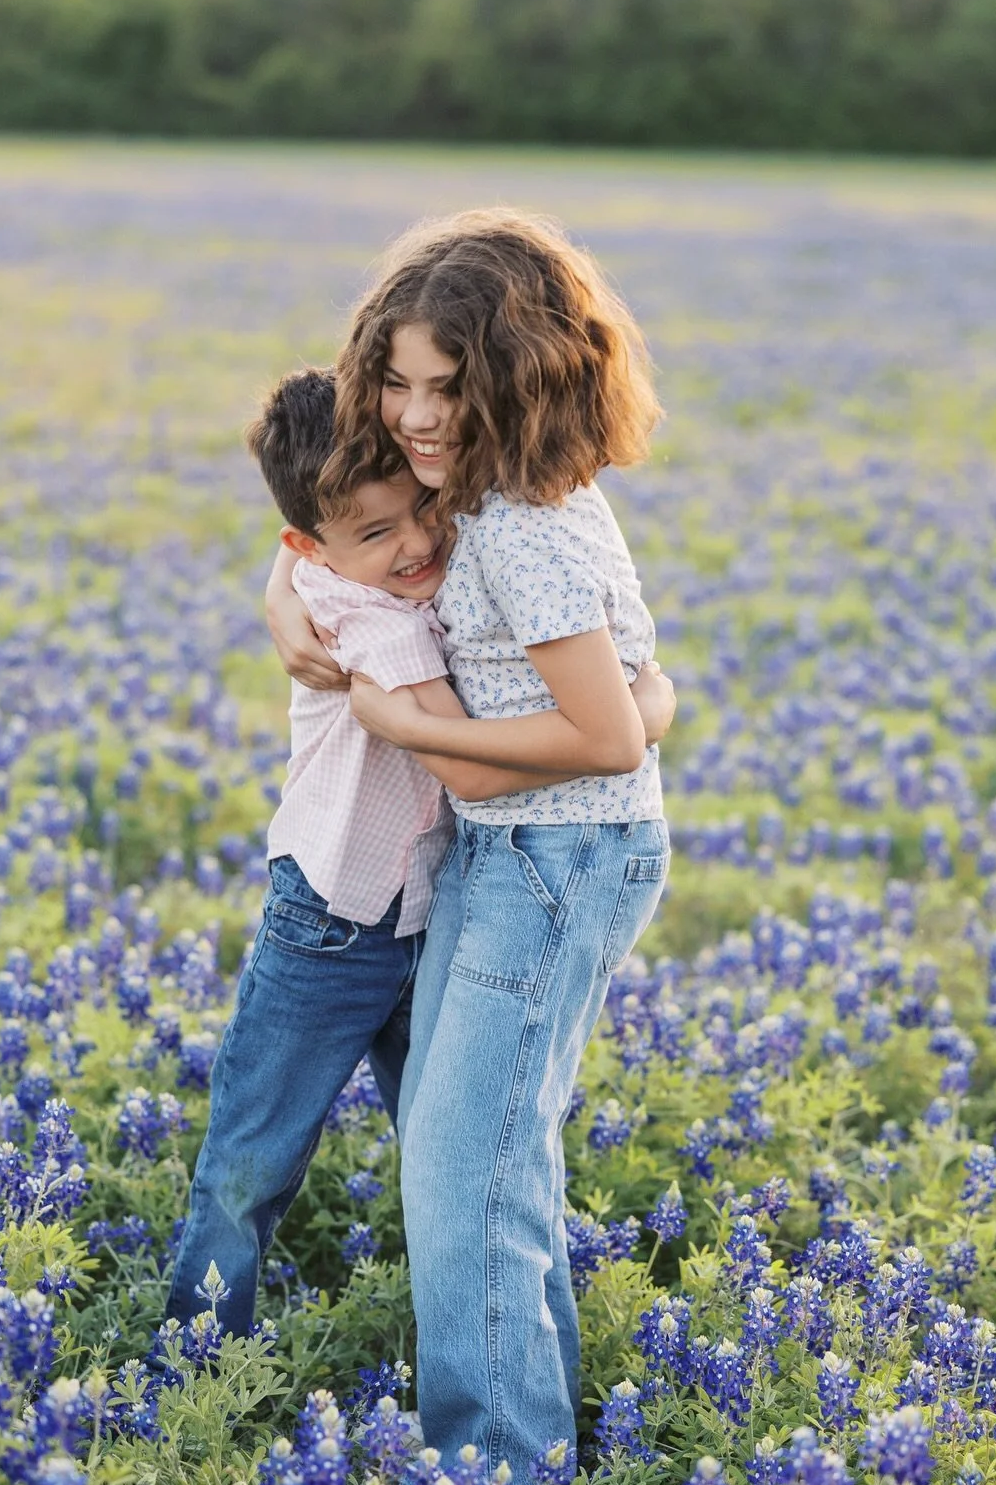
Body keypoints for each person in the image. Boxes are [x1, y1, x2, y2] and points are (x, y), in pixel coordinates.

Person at [266, 212, 672, 1482]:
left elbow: (607, 734)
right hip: (512, 856)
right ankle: (527, 1447)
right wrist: (283, 592)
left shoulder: (519, 527)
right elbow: (334, 539)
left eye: (451, 385)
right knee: (479, 1157)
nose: (417, 414)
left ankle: (499, 1484)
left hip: (556, 862)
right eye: (396, 380)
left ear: (521, 377)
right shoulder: (489, 499)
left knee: (463, 1175)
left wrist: (399, 720)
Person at [168, 365, 672, 1337]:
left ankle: (467, 1333)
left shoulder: (387, 570)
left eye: (423, 510)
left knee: (453, 1153)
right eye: (373, 532)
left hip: (432, 908)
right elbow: (474, 769)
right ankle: (194, 1347)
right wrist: (641, 710)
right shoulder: (374, 627)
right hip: (332, 924)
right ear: (311, 545)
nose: (413, 543)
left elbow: (338, 517)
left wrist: (644, 705)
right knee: (254, 1154)